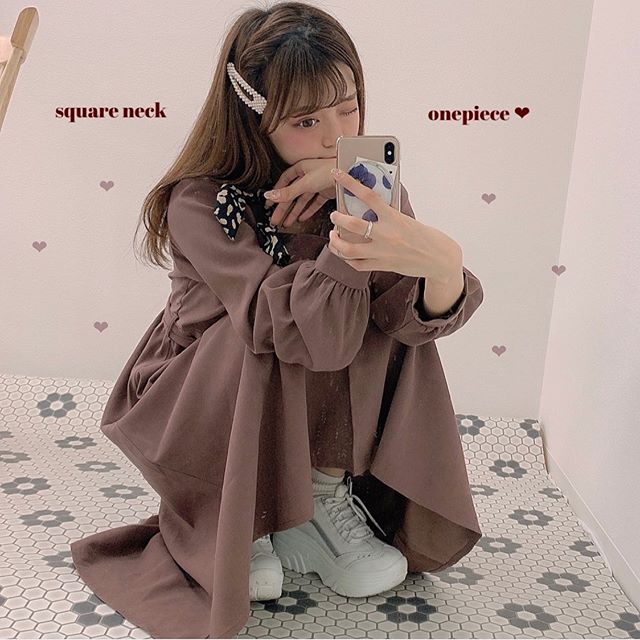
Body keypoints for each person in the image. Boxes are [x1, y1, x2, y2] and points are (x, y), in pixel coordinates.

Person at [69, 2, 485, 638]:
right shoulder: (202, 201)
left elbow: (404, 321)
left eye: (348, 109)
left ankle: (318, 499)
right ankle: (245, 514)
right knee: (266, 333)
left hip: (303, 393)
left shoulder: (358, 186)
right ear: (253, 117)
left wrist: (400, 231)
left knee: (379, 316)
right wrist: (354, 239)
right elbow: (296, 331)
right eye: (306, 121)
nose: (334, 136)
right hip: (198, 397)